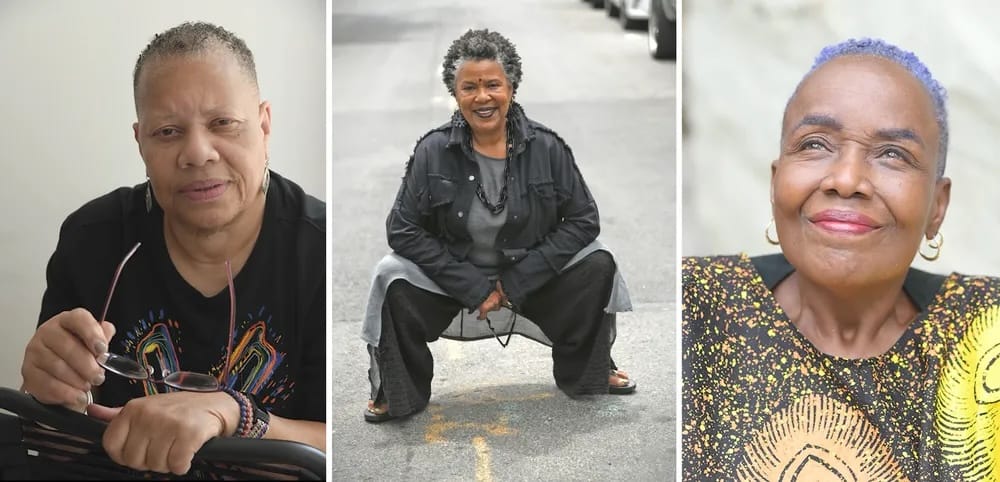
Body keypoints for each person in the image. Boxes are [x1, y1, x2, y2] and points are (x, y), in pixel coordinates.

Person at [682, 38, 1000, 480]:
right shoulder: (695, 308)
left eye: (893, 154)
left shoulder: (987, 333)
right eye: (814, 144)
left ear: (937, 206)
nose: (847, 180)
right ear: (776, 184)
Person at [18, 22, 326, 475]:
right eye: (167, 132)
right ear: (140, 141)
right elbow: (56, 448)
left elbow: (341, 443)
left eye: (223, 123)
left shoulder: (317, 251)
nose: (198, 153)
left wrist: (234, 416)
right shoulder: (92, 241)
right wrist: (45, 390)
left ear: (263, 125)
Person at [360, 29, 635, 423]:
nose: (483, 97)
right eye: (469, 87)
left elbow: (583, 220)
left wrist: (517, 281)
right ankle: (397, 389)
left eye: (493, 85)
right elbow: (402, 230)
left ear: (512, 87)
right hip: (452, 278)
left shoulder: (547, 146)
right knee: (390, 275)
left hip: (529, 277)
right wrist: (471, 285)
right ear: (454, 94)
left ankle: (591, 369)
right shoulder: (432, 151)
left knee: (599, 260)